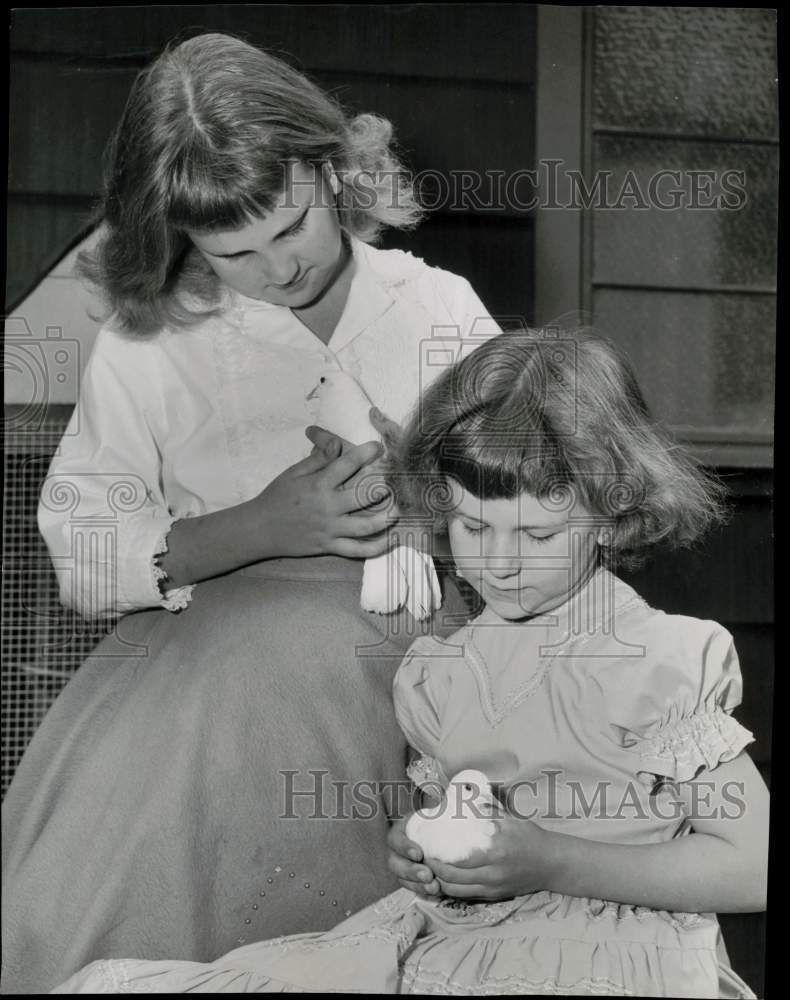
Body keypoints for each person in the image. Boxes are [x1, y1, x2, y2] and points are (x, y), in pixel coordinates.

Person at [0, 32, 500, 994]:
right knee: (104, 916)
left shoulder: (439, 307)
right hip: (208, 690)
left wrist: (430, 499)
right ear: (182, 239)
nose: (279, 269)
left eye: (295, 228)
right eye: (234, 253)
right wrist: (261, 527)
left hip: (415, 679)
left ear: (332, 170)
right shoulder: (153, 342)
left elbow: (530, 498)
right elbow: (83, 549)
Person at [53, 329, 768, 997]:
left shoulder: (657, 662)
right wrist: (423, 854)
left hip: (610, 965)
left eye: (540, 533)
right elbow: (451, 818)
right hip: (461, 942)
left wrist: (550, 858)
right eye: (473, 525)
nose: (500, 561)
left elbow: (753, 865)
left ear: (613, 517)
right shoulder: (441, 672)